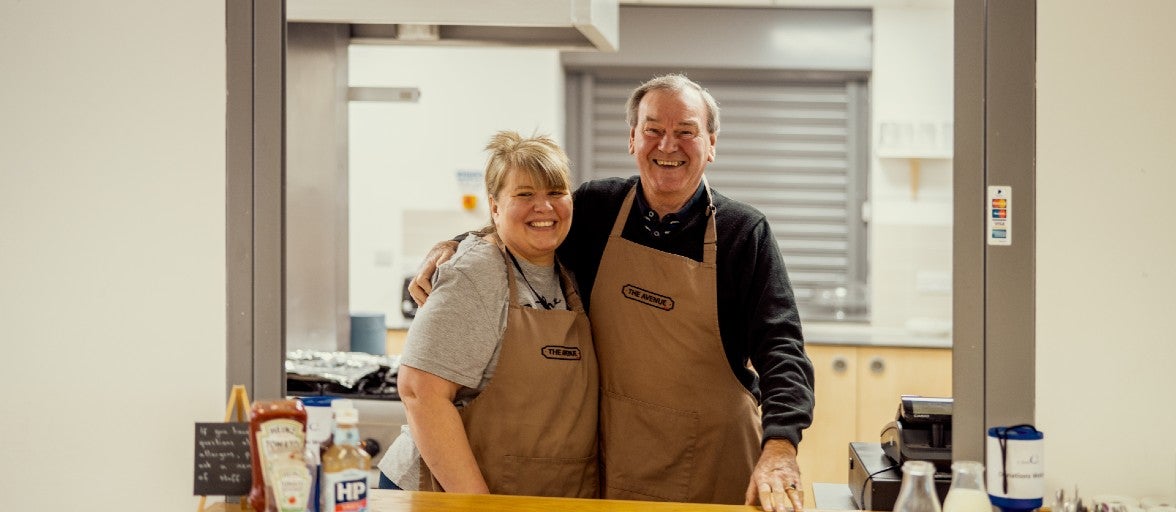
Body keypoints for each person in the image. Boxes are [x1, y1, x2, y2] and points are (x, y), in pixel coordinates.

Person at [410, 75, 814, 512]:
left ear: (711, 144)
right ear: (633, 139)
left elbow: (782, 349)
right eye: (653, 130)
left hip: (716, 462)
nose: (667, 145)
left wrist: (780, 447)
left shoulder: (743, 233)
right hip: (621, 462)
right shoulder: (598, 210)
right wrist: (457, 242)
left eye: (686, 132)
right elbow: (532, 220)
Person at [376, 131, 598, 498]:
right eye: (524, 195)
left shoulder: (568, 270)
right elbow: (420, 392)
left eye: (555, 193)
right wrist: (477, 504)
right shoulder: (475, 271)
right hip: (448, 494)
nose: (544, 207)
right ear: (495, 207)